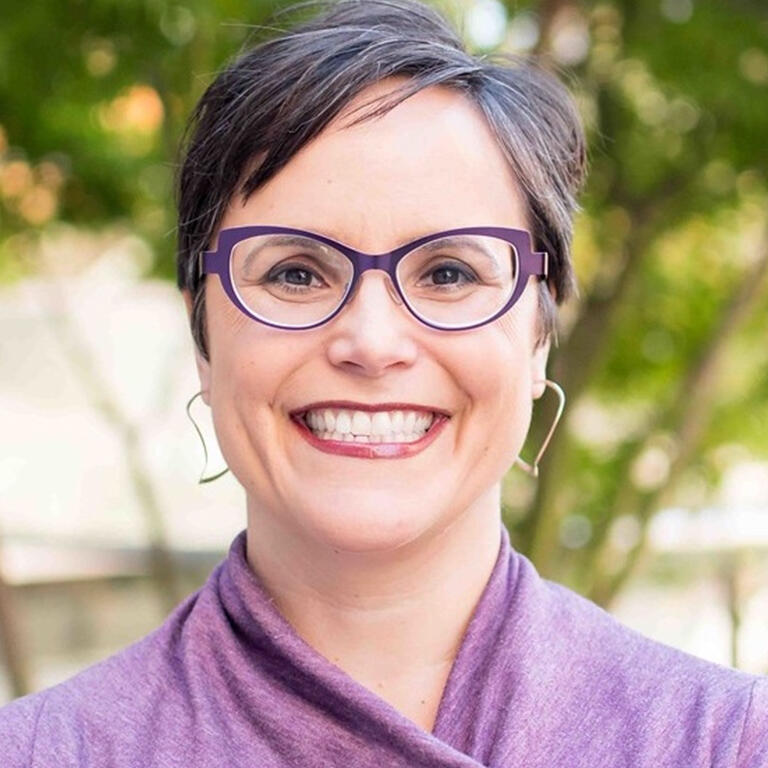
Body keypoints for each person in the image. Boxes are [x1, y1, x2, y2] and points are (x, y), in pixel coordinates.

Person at [1, 0, 766, 765]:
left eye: (448, 273)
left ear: (538, 337)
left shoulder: (723, 742)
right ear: (202, 332)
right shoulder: (42, 751)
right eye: (295, 273)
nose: (371, 342)